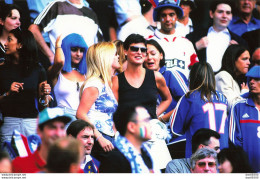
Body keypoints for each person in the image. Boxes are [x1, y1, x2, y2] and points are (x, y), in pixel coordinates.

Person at [0, 28, 51, 146]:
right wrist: (8, 93)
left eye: (9, 40)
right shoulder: (2, 69)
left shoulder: (38, 69)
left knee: (31, 162)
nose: (5, 44)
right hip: (9, 123)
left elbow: (44, 106)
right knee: (9, 162)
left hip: (32, 124)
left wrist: (44, 95)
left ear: (20, 45)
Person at [169, 62, 229, 158]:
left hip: (199, 156)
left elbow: (175, 129)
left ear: (193, 77)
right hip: (221, 154)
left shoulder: (190, 97)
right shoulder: (223, 98)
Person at [112, 34, 172, 121]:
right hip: (127, 131)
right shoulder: (116, 80)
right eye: (134, 49)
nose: (139, 52)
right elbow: (115, 111)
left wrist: (154, 114)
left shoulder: (156, 77)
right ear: (125, 51)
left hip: (151, 130)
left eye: (143, 50)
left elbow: (167, 99)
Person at [76, 42, 118, 162]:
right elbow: (80, 114)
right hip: (98, 137)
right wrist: (99, 137)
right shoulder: (95, 83)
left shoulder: (105, 83)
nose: (118, 56)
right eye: (115, 54)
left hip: (108, 136)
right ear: (106, 59)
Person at [28, 0, 103, 64]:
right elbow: (33, 29)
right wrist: (51, 56)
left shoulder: (91, 13)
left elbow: (100, 45)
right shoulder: (56, 6)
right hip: (61, 73)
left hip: (87, 74)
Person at [186, 0, 248, 72]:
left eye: (228, 13)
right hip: (201, 79)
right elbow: (182, 56)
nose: (224, 16)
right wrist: (196, 46)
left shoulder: (240, 42)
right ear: (211, 14)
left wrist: (238, 52)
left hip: (226, 81)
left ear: (231, 16)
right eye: (220, 12)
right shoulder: (195, 36)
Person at [99, 105, 160, 173]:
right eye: (146, 120)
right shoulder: (115, 160)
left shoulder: (147, 153)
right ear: (131, 127)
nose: (150, 125)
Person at [147, 0, 199, 79]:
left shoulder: (186, 43)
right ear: (158, 17)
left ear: (177, 17)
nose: (168, 19)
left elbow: (196, 71)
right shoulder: (148, 42)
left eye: (171, 15)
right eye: (164, 15)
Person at [12, 107, 72, 173]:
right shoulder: (19, 166)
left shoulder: (73, 169)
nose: (59, 133)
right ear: (39, 131)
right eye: (52, 127)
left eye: (62, 127)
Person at [48, 33, 88, 121]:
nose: (78, 54)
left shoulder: (86, 74)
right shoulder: (58, 72)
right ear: (65, 49)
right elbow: (59, 62)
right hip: (63, 118)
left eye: (81, 50)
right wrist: (58, 45)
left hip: (83, 119)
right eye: (74, 50)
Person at [229, 65, 260, 173]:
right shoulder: (238, 106)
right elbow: (234, 142)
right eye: (250, 79)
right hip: (246, 171)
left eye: (257, 79)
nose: (251, 82)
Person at [215, 44, 250, 110]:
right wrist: (245, 92)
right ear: (233, 60)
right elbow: (233, 106)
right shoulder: (223, 76)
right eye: (244, 59)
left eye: (249, 59)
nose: (249, 62)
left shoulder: (234, 78)